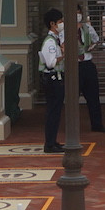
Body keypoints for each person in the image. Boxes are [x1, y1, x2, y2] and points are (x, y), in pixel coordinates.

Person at [38, 9, 68, 153]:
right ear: (52, 24)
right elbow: (51, 63)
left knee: (56, 112)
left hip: (56, 78)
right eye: (60, 21)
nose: (62, 24)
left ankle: (53, 141)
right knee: (52, 112)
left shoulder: (55, 40)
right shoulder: (50, 42)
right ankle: (49, 144)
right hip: (52, 79)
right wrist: (63, 54)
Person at [77, 15, 105, 133]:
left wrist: (92, 45)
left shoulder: (87, 28)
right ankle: (72, 127)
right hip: (73, 65)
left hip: (87, 63)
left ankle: (97, 124)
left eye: (78, 12)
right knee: (72, 97)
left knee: (93, 97)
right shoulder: (64, 30)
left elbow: (96, 39)